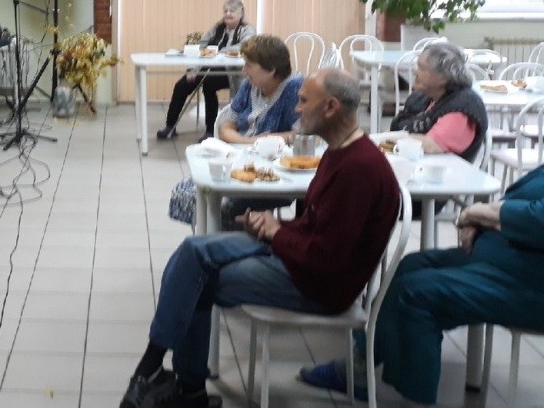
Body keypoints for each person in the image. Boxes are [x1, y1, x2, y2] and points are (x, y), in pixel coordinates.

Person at [121, 69, 400, 408]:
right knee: (192, 251)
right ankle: (163, 376)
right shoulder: (339, 151)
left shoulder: (359, 169)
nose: (296, 109)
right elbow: (316, 227)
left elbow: (326, 259)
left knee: (195, 280)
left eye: (303, 101)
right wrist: (275, 226)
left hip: (318, 286)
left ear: (331, 107)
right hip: (298, 259)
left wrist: (277, 233)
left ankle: (175, 383)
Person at [299, 165, 544, 407]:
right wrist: (478, 220)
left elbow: (538, 219)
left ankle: (415, 400)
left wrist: (478, 212)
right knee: (411, 266)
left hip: (528, 283)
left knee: (415, 294)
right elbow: (517, 200)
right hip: (504, 257)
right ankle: (360, 364)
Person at [168, 35, 303, 227]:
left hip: (272, 175)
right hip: (241, 162)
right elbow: (226, 126)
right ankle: (212, 236)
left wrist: (253, 142)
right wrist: (252, 143)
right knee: (184, 192)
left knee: (220, 202)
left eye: (249, 65)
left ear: (271, 69)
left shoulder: (294, 88)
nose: (243, 70)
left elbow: (300, 135)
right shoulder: (250, 85)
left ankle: (228, 238)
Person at [157, 0, 255, 142]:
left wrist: (218, 51)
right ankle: (170, 126)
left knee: (209, 84)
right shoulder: (217, 28)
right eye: (225, 11)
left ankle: (210, 130)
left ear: (241, 13)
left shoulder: (247, 29)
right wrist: (193, 69)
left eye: (232, 11)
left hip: (232, 73)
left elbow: (244, 46)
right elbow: (201, 46)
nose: (228, 14)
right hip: (207, 67)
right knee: (181, 85)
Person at [391, 41, 488, 163]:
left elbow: (432, 145)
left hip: (447, 172)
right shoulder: (423, 97)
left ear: (443, 77)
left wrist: (387, 139)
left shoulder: (463, 106)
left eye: (421, 68)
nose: (415, 72)